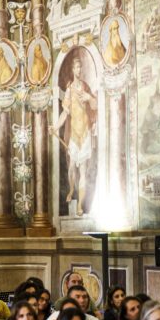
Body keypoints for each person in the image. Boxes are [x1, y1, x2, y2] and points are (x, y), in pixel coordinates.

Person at [51, 56, 97, 217]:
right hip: (74, 134)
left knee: (83, 171)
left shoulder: (85, 87)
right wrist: (55, 127)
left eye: (80, 67)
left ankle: (80, 205)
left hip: (85, 132)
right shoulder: (69, 90)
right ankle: (71, 189)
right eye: (75, 67)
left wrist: (89, 98)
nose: (78, 70)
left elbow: (96, 105)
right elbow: (65, 112)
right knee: (71, 168)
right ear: (72, 70)